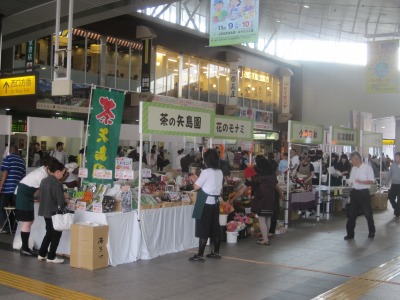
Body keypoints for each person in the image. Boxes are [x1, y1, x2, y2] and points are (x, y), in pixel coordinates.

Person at [15, 157, 58, 256]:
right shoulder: (41, 174)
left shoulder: (43, 171)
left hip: (27, 194)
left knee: (29, 221)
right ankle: (25, 248)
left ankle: (25, 247)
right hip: (23, 195)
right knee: (27, 222)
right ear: (48, 167)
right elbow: (45, 191)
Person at [188, 149, 223, 262]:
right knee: (215, 228)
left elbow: (196, 187)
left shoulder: (206, 172)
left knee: (203, 228)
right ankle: (216, 252)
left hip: (205, 203)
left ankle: (200, 255)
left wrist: (194, 179)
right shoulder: (220, 172)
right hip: (215, 203)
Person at [37, 160, 67, 263]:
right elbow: (61, 202)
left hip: (45, 211)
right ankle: (51, 256)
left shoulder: (43, 181)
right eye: (63, 174)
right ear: (57, 172)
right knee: (56, 234)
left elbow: (40, 196)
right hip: (54, 212)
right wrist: (66, 200)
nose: (62, 176)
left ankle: (42, 253)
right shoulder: (57, 184)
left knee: (49, 233)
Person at [344, 151, 376, 240]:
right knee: (352, 214)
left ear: (356, 159)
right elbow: (351, 180)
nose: (351, 162)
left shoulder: (367, 168)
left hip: (364, 193)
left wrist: (361, 182)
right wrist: (351, 186)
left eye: (352, 160)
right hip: (354, 193)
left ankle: (372, 231)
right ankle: (350, 234)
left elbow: (371, 181)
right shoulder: (353, 169)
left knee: (368, 213)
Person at [0, 145, 26, 234]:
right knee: (14, 208)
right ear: (17, 152)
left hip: (7, 188)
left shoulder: (8, 158)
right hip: (17, 190)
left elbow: (5, 172)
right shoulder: (22, 162)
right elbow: (23, 177)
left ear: (9, 151)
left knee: (2, 207)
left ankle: (6, 227)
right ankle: (13, 227)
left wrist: (1, 184)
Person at [387, 152, 400, 218]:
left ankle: (397, 213)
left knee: (399, 200)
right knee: (390, 197)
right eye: (395, 157)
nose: (395, 158)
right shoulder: (392, 165)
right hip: (394, 184)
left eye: (397, 157)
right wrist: (386, 181)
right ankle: (397, 209)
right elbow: (389, 174)